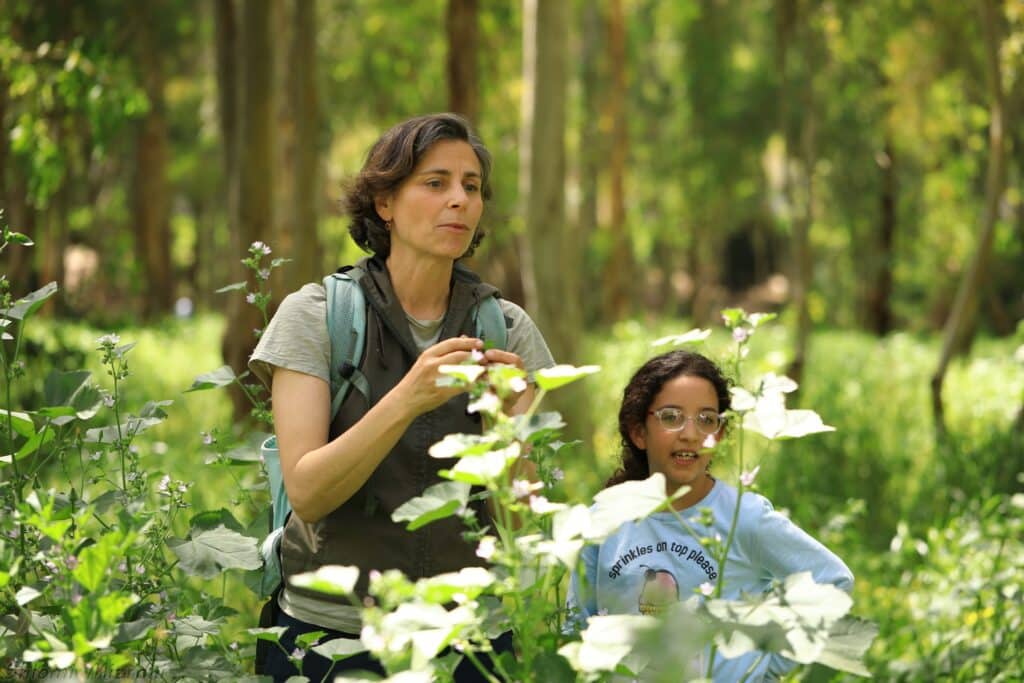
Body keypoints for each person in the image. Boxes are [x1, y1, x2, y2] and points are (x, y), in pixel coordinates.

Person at [249, 113, 555, 681]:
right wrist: (407, 398)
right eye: (435, 183)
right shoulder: (316, 317)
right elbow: (309, 492)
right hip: (332, 634)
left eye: (471, 186)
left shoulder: (506, 328)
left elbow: (520, 520)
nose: (459, 200)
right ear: (384, 203)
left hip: (469, 638)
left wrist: (511, 423)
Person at [566, 350, 853, 681]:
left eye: (706, 419)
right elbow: (576, 626)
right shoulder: (604, 518)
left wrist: (764, 669)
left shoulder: (743, 517)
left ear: (720, 434)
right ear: (639, 432)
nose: (690, 434)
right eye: (672, 417)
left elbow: (833, 581)